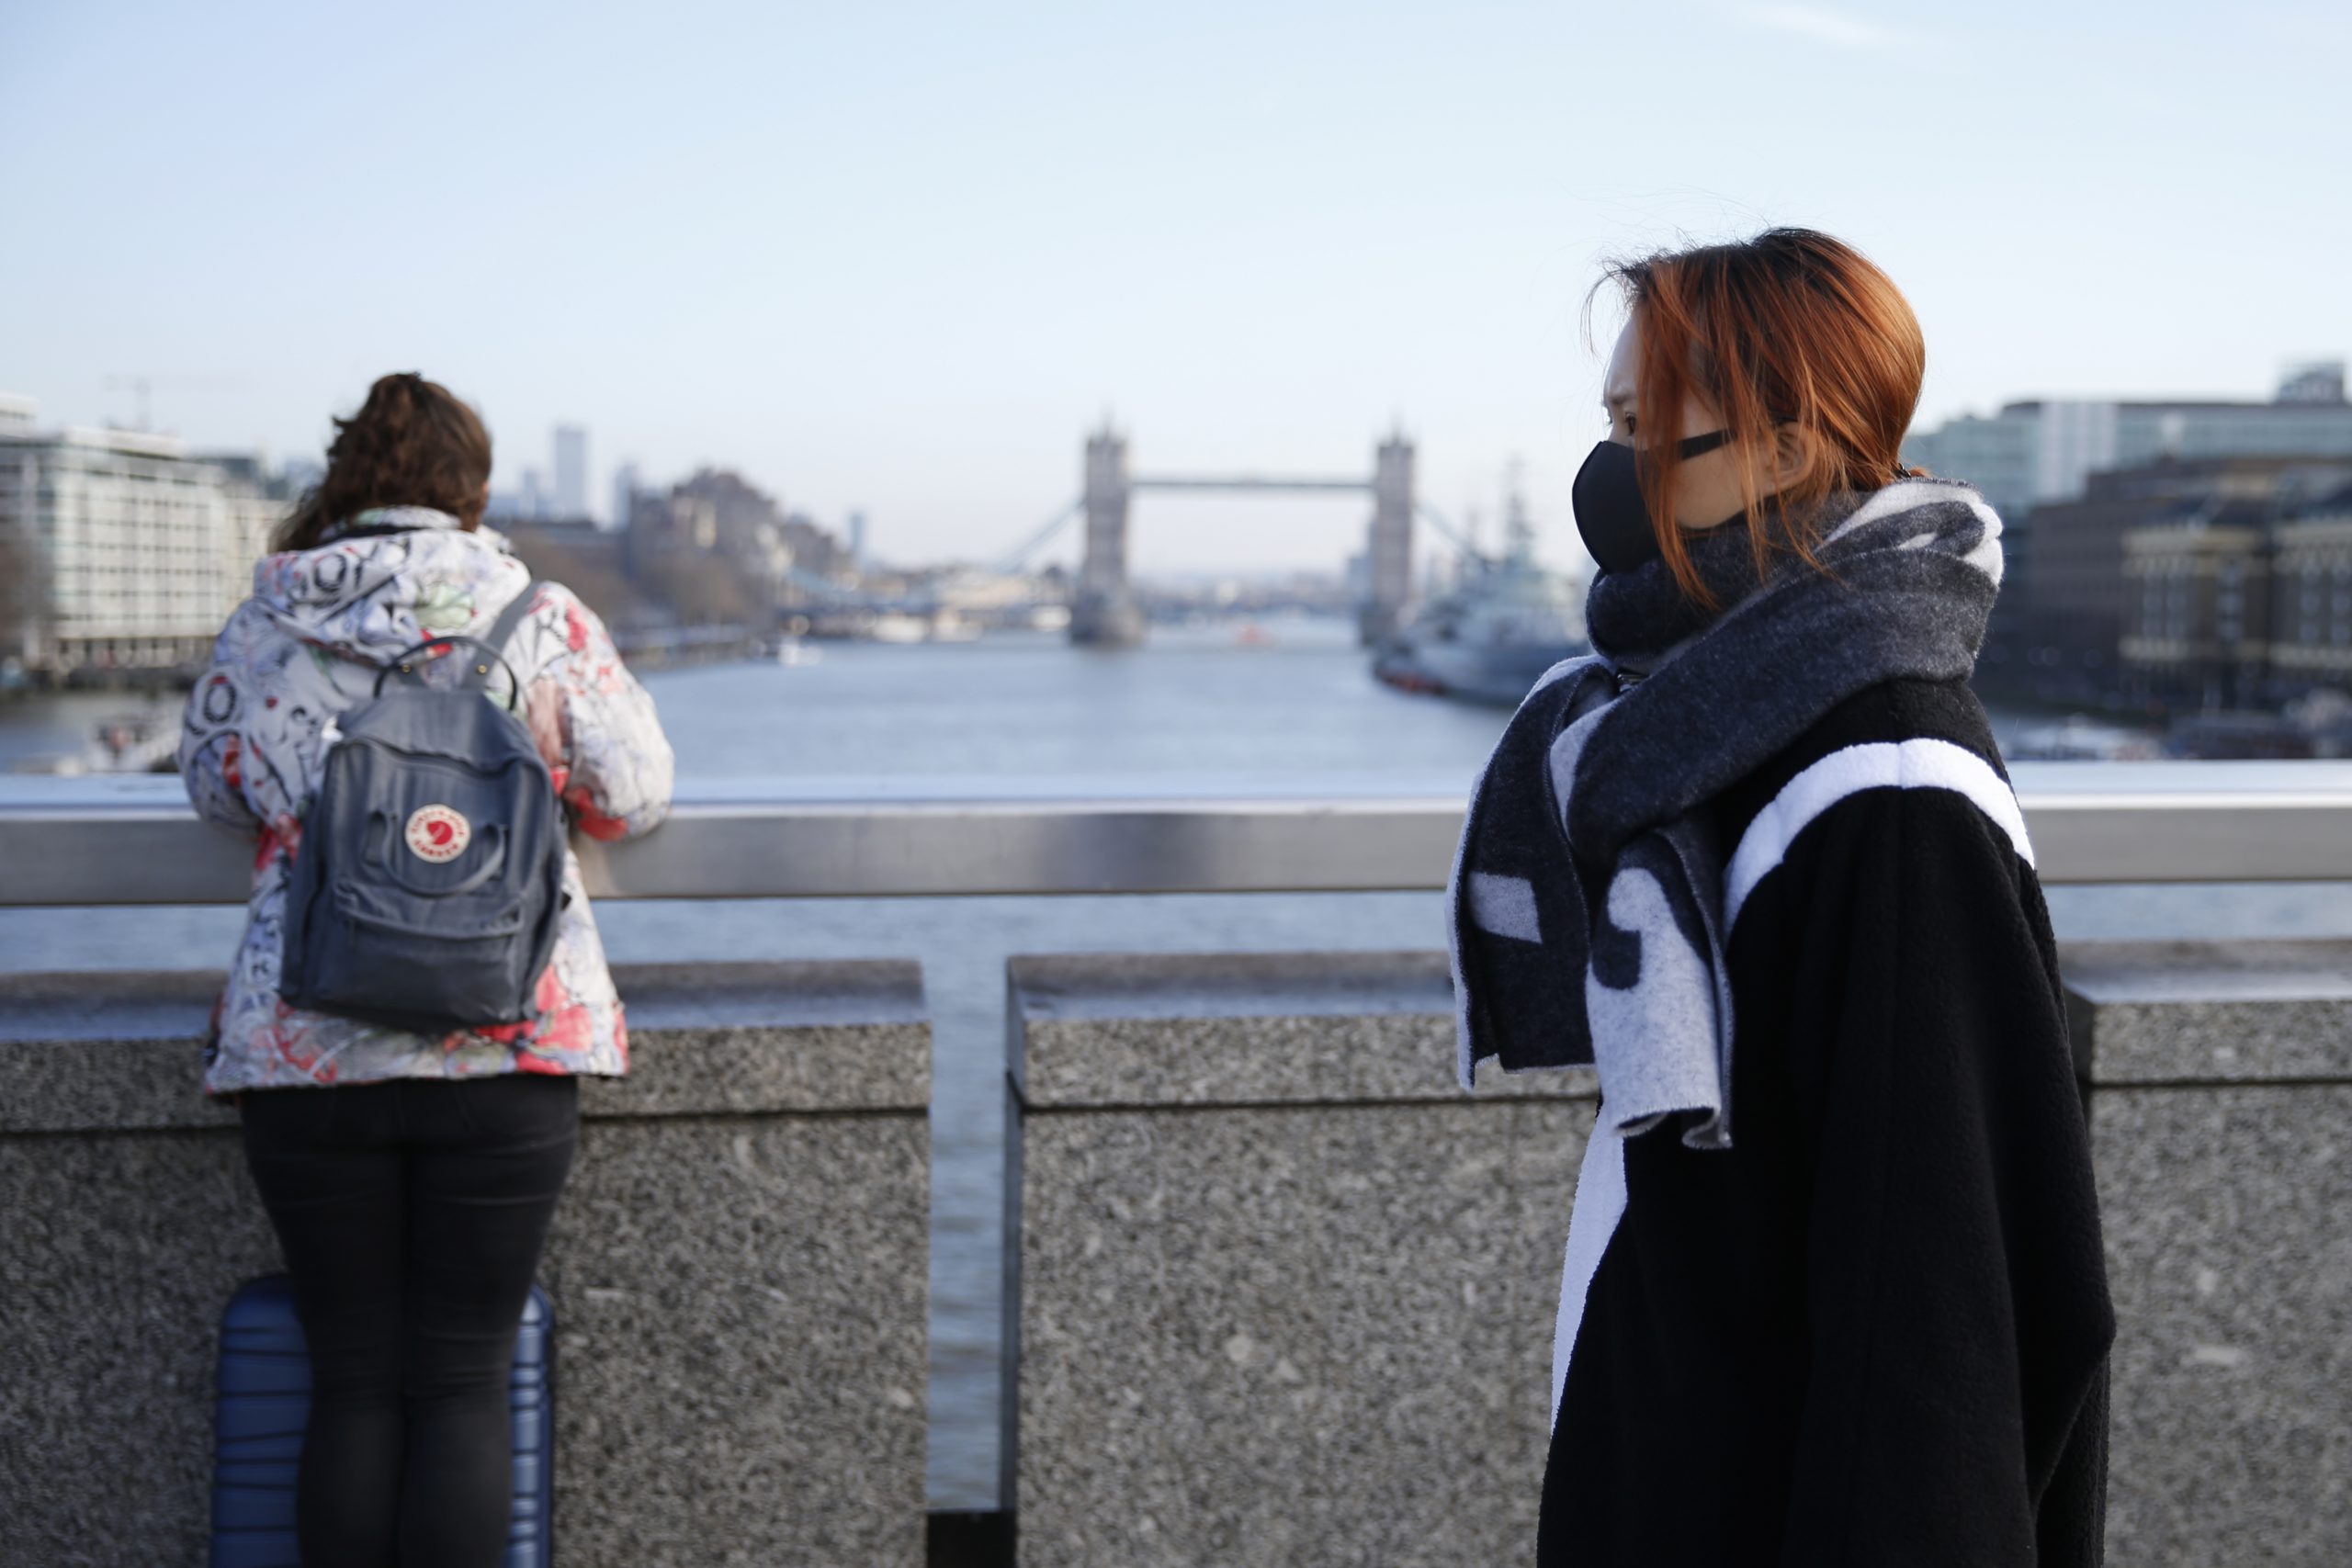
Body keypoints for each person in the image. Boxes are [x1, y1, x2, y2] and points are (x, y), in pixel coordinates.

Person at [1446, 230, 2114, 1564]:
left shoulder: (1890, 795)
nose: (1610, 475)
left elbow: (1939, 1325)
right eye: (1611, 425)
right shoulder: (1728, 729)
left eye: (1650, 433)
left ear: (1790, 454)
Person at [181, 372, 673, 1567]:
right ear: (472, 490)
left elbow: (212, 785)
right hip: (504, 1039)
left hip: (309, 1044)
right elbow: (635, 794)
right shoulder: (538, 616)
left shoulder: (267, 621)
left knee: (350, 1382)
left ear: (342, 482)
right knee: (460, 1383)